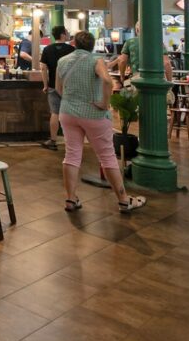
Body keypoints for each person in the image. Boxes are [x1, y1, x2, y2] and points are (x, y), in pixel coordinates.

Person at [57, 30, 146, 213]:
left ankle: (70, 199)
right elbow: (107, 81)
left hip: (67, 113)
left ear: (74, 44)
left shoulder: (63, 61)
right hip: (93, 114)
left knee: (72, 154)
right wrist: (104, 104)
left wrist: (71, 100)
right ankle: (123, 200)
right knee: (106, 156)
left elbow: (59, 89)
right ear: (92, 46)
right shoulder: (95, 60)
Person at [40, 26, 75, 150]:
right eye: (66, 32)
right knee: (70, 114)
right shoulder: (72, 50)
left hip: (53, 86)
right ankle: (71, 141)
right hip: (69, 86)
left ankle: (53, 141)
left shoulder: (47, 49)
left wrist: (45, 85)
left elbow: (43, 68)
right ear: (63, 35)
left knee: (55, 113)